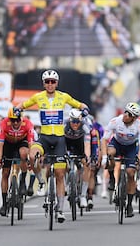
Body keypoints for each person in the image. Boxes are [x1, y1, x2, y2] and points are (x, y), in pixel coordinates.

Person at [16, 69, 89, 223]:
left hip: (59, 140)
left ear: (56, 83)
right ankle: (41, 182)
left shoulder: (64, 96)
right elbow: (23, 104)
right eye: (47, 82)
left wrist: (84, 108)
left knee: (60, 174)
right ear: (43, 83)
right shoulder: (38, 96)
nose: (50, 84)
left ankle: (61, 210)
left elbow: (78, 103)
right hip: (44, 138)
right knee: (31, 155)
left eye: (52, 82)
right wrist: (17, 109)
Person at [100, 102, 140, 218]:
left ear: (135, 118)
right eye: (126, 112)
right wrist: (105, 157)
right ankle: (111, 177)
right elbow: (104, 140)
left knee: (131, 173)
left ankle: (129, 204)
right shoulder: (115, 121)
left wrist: (139, 161)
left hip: (131, 148)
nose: (126, 115)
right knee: (111, 154)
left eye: (130, 115)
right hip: (117, 144)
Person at [0, 107, 36, 216]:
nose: (15, 123)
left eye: (17, 120)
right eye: (12, 120)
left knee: (23, 153)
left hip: (21, 142)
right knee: (5, 173)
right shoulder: (4, 124)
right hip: (8, 144)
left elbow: (31, 144)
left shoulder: (27, 124)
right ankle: (4, 204)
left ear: (21, 119)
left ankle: (22, 181)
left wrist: (30, 158)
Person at [64, 108, 92, 208]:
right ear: (70, 120)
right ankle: (67, 185)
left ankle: (83, 195)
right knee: (63, 163)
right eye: (73, 122)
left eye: (78, 122)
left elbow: (87, 144)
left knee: (86, 165)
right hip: (66, 143)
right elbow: (60, 141)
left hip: (80, 143)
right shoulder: (64, 124)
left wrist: (87, 156)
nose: (75, 124)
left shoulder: (85, 126)